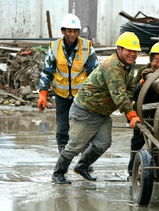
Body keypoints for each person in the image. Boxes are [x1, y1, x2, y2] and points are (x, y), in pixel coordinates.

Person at [51, 31, 142, 184]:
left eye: (135, 51)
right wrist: (132, 115)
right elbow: (118, 94)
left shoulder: (128, 67)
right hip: (85, 110)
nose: (132, 54)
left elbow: (129, 91)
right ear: (119, 49)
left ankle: (82, 166)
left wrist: (138, 88)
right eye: (129, 50)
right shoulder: (111, 66)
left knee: (103, 143)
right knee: (75, 146)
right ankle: (58, 172)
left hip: (102, 112)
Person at [37, 13, 99, 153]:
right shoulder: (54, 47)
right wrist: (43, 93)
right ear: (63, 31)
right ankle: (63, 159)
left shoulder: (87, 47)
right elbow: (47, 71)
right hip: (62, 95)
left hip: (82, 97)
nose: (72, 34)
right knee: (62, 129)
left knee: (84, 129)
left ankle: (84, 163)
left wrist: (96, 95)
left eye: (75, 31)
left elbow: (96, 73)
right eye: (69, 31)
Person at [127, 41, 159, 176]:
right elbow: (132, 92)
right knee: (138, 142)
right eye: (156, 60)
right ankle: (132, 171)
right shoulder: (142, 72)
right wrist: (132, 115)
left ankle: (157, 171)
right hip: (143, 113)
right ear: (151, 60)